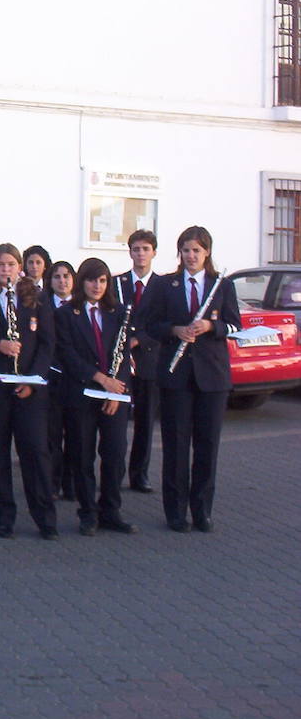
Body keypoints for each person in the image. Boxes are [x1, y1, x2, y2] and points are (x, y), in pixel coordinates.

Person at [136, 225, 240, 533]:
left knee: (207, 445)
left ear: (206, 252)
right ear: (179, 253)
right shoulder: (166, 285)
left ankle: (202, 510)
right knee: (176, 445)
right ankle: (175, 512)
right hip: (175, 375)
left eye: (196, 250)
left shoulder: (221, 286)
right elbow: (149, 324)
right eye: (185, 250)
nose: (191, 256)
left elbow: (234, 325)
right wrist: (174, 330)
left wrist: (210, 326)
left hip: (212, 377)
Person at [0, 243, 58, 540]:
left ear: (20, 267)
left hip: (28, 389)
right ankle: (2, 518)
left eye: (10, 264)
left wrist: (34, 379)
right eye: (0, 265)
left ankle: (45, 517)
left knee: (35, 451)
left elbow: (47, 344)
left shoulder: (37, 298)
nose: (6, 270)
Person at [54, 258, 138, 537]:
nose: (97, 286)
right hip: (82, 394)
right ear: (82, 282)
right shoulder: (67, 314)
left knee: (114, 454)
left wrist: (117, 390)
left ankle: (111, 511)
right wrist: (102, 380)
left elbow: (124, 356)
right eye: (92, 280)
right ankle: (88, 513)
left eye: (102, 280)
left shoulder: (118, 312)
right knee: (82, 455)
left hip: (115, 396)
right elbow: (66, 354)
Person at [119, 229, 161, 493]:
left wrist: (139, 339)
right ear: (130, 252)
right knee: (117, 422)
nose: (141, 254)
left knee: (145, 422)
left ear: (154, 252)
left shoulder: (164, 286)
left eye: (145, 249)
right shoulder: (117, 282)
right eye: (136, 249)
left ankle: (139, 474)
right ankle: (114, 471)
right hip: (120, 362)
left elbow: (164, 324)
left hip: (148, 361)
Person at [45, 260, 78, 500]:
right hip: (52, 378)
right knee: (52, 435)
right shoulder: (42, 305)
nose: (62, 281)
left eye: (66, 276)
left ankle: (72, 483)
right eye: (57, 277)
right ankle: (53, 482)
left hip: (76, 378)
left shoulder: (82, 306)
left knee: (77, 434)